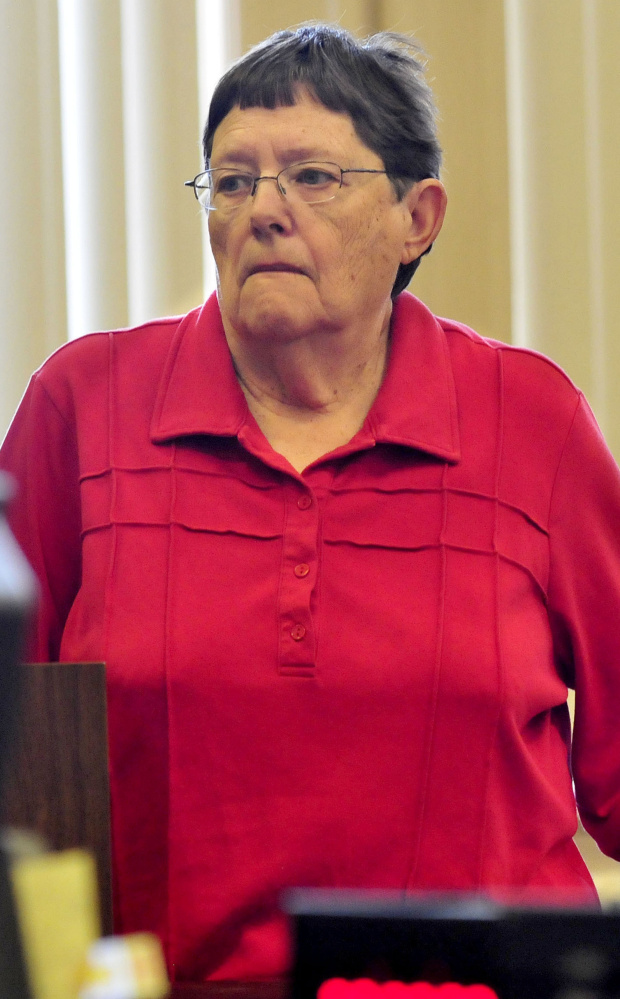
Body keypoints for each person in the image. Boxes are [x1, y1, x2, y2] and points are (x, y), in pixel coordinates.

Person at [2, 21, 620, 991]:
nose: (263, 211)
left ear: (418, 216)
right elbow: (12, 777)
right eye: (233, 180)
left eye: (311, 178)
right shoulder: (84, 408)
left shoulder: (529, 423)